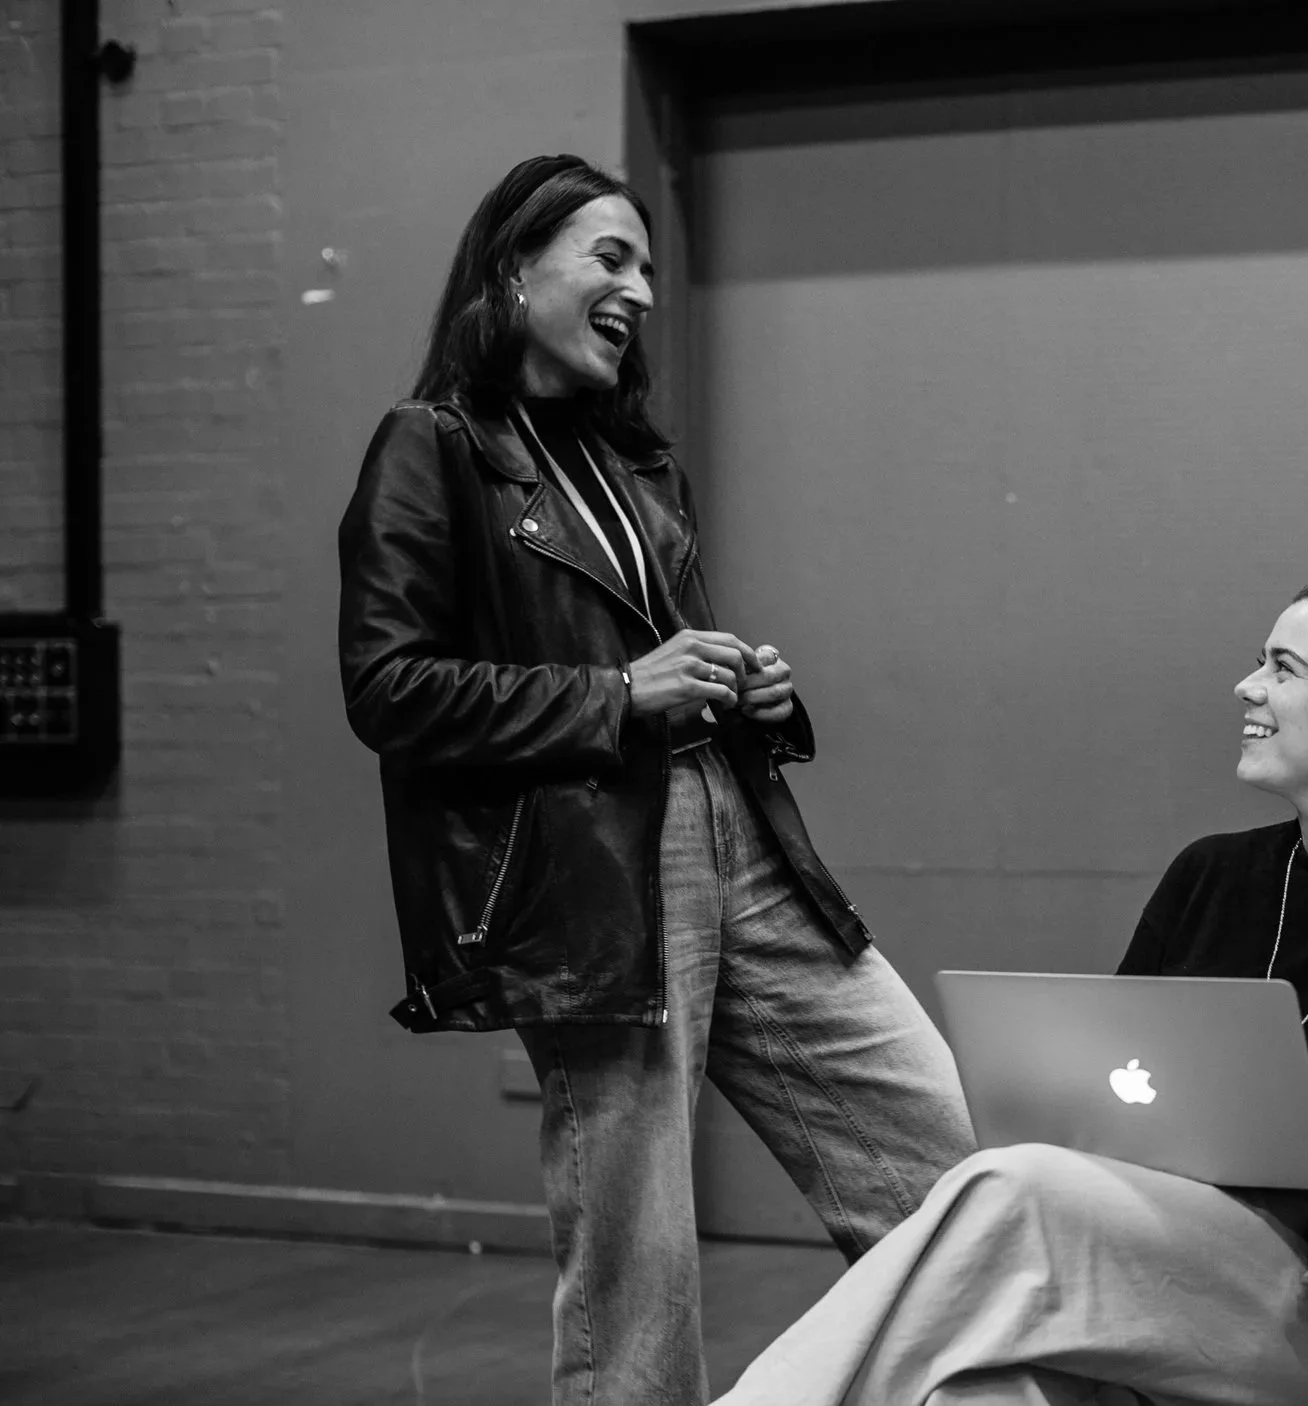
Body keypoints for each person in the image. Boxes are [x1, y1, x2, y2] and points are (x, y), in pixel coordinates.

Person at [335, 154, 975, 1405]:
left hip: (742, 834)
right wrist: (622, 694)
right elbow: (389, 688)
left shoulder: (642, 468)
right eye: (608, 258)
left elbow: (669, 659)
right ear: (515, 271)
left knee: (949, 1153)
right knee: (639, 1253)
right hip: (594, 882)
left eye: (646, 267)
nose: (637, 289)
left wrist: (754, 696)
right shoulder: (432, 449)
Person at [718, 531, 1308, 1406]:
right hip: (1161, 1263)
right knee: (978, 1392)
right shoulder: (1212, 873)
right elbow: (1116, 1090)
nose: (1247, 687)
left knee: (1010, 1188)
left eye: (1283, 668)